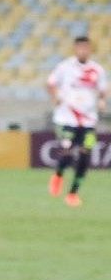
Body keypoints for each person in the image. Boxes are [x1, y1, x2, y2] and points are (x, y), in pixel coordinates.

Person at [47, 35, 107, 207]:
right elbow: (51, 83)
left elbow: (103, 89)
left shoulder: (97, 70)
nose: (83, 51)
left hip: (88, 120)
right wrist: (55, 97)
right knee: (67, 152)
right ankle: (58, 175)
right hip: (67, 118)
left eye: (86, 48)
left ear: (90, 50)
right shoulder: (65, 67)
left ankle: (73, 193)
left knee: (85, 155)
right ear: (75, 49)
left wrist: (102, 100)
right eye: (80, 48)